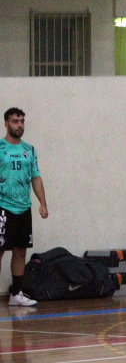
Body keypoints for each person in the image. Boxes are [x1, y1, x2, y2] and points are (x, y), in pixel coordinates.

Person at [1, 108, 49, 307]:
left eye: (21, 121)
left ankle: (17, 294)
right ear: (6, 124)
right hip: (3, 207)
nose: (19, 125)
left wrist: (42, 203)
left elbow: (36, 177)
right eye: (15, 121)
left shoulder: (29, 150)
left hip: (23, 208)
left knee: (20, 251)